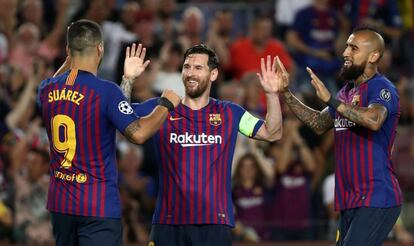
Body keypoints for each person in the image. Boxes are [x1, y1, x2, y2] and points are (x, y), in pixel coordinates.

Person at [121, 44, 285, 246]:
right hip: (168, 223)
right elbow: (123, 118)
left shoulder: (230, 113)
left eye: (198, 68)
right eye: (187, 67)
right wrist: (128, 79)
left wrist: (271, 94)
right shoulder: (162, 108)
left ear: (213, 74)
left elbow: (272, 132)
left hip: (214, 224)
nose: (190, 73)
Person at [37, 19, 181, 246]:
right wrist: (166, 104)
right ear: (100, 49)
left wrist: (127, 79)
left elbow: (113, 111)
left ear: (68, 51)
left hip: (61, 206)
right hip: (97, 207)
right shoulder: (105, 92)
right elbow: (138, 133)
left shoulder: (47, 89)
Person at [277, 27, 402, 246]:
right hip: (349, 198)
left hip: (376, 195)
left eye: (353, 48)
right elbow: (318, 124)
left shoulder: (383, 88)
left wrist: (331, 101)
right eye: (346, 46)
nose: (345, 52)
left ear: (373, 56)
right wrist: (286, 93)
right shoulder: (347, 91)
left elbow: (374, 120)